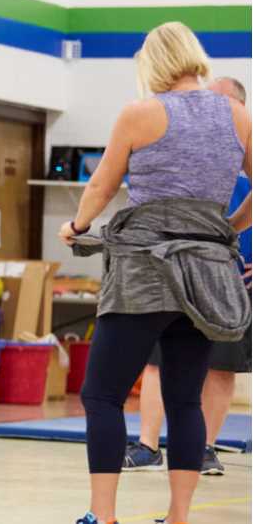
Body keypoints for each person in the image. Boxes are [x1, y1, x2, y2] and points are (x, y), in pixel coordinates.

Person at [59, 22, 251, 524]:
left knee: (101, 394)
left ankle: (103, 518)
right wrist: (226, 226)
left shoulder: (140, 114)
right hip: (209, 276)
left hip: (144, 274)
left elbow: (102, 185)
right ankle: (178, 518)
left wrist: (77, 226)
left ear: (153, 63)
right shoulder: (238, 116)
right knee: (185, 399)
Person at [123, 77, 252, 477]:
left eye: (215, 101)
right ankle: (147, 446)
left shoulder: (243, 159)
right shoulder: (179, 155)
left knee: (221, 366)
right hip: (174, 274)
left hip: (231, 280)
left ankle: (205, 449)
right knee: (159, 361)